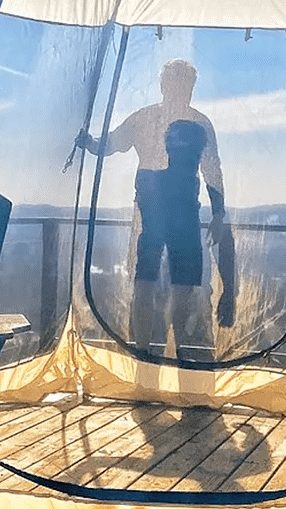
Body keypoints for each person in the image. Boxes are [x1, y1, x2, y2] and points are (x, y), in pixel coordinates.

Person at [77, 60, 235, 360]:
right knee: (150, 283)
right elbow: (110, 144)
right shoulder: (157, 120)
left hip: (171, 215)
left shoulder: (189, 123)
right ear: (164, 86)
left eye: (185, 85)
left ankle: (171, 351)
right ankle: (151, 353)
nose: (180, 90)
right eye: (176, 83)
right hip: (163, 215)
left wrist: (218, 213)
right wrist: (91, 143)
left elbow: (212, 170)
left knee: (172, 285)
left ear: (189, 88)